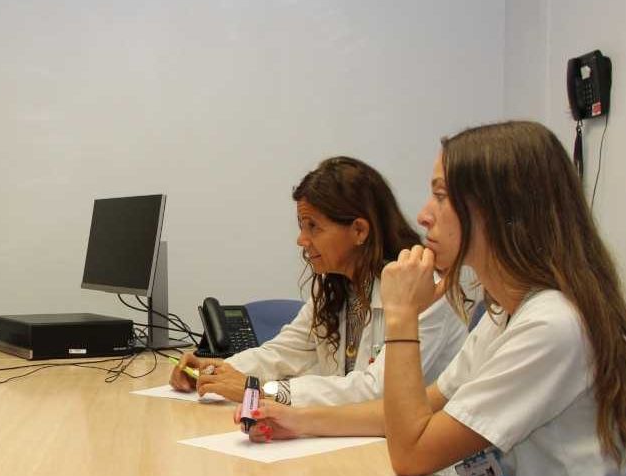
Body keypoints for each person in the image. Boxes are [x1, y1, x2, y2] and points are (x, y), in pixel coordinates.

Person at [253, 122, 626, 476]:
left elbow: (412, 448)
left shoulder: (553, 325)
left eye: (440, 196)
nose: (422, 215)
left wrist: (402, 317)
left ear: (497, 209)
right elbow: (421, 408)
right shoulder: (507, 313)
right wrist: (298, 421)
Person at [169, 156, 467, 406]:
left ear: (359, 231)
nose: (302, 240)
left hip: (420, 461)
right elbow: (282, 352)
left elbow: (378, 391)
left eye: (313, 227)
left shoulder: (424, 290)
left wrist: (260, 391)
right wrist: (214, 370)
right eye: (301, 226)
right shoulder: (338, 288)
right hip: (351, 441)